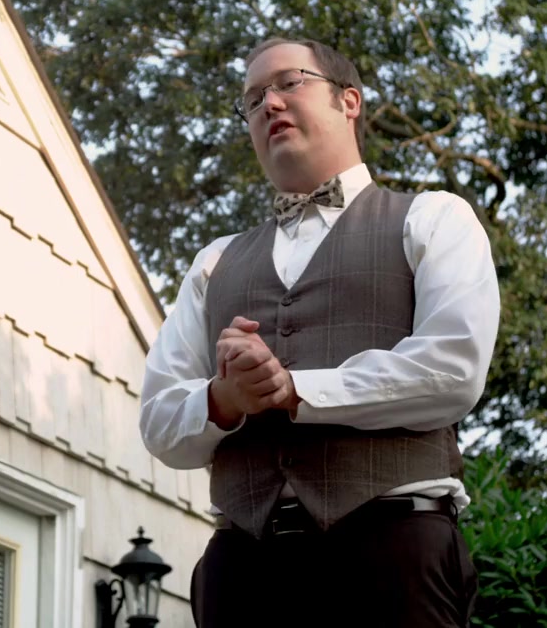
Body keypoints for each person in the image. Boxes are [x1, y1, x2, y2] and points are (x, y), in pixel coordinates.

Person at [138, 37, 500, 627]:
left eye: (289, 82)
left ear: (348, 101)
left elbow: (453, 370)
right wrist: (224, 399)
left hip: (393, 552)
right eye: (253, 98)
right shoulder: (214, 262)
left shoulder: (433, 218)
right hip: (243, 566)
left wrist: (294, 390)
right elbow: (158, 421)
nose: (269, 103)